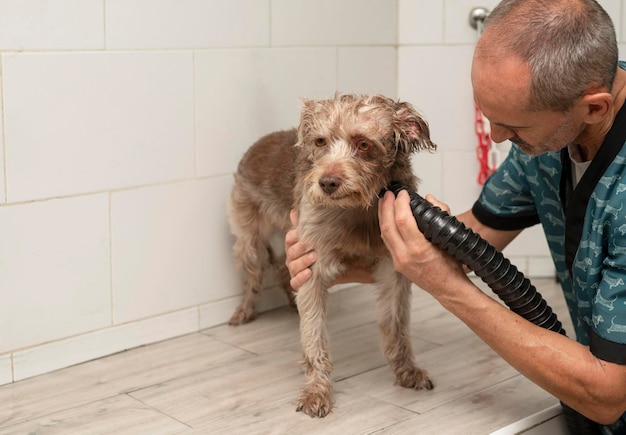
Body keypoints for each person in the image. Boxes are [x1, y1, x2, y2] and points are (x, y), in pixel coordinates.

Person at [285, 0, 626, 432]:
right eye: (490, 117)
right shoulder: (553, 138)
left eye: (513, 127)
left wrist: (449, 289)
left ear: (594, 108)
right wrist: (347, 265)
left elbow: (608, 394)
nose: (497, 137)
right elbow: (474, 241)